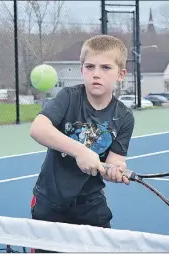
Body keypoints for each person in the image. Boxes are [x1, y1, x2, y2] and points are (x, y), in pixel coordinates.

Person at [29, 34, 135, 238]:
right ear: (82, 70)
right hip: (49, 203)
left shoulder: (124, 117)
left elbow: (112, 164)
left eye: (106, 68)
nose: (96, 74)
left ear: (121, 75)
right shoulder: (69, 97)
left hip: (91, 208)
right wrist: (81, 152)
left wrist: (114, 170)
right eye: (90, 67)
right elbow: (38, 128)